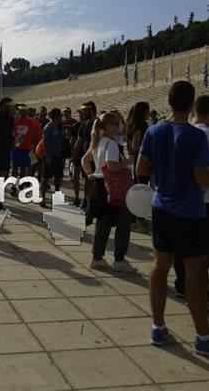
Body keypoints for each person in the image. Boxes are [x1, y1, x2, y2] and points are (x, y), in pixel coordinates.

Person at [137, 81, 209, 355]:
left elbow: (142, 168)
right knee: (195, 273)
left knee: (160, 265)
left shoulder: (154, 130)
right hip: (189, 211)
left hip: (161, 206)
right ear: (191, 104)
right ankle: (202, 335)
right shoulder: (195, 136)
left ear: (169, 102)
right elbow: (201, 178)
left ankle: (157, 326)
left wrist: (165, 171)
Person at [82, 111, 136, 274]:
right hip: (113, 186)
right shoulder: (111, 144)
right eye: (115, 124)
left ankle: (97, 257)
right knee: (123, 223)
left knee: (103, 225)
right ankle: (119, 260)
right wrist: (127, 162)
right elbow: (111, 166)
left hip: (99, 185)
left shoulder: (98, 142)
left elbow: (85, 160)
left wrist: (90, 173)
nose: (118, 127)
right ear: (108, 126)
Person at [173, 94, 209, 298]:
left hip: (180, 198)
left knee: (182, 245)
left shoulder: (183, 132)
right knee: (201, 249)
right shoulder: (203, 135)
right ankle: (198, 287)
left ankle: (182, 285)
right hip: (204, 199)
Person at [74, 101, 97, 210]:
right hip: (91, 156)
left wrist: (74, 154)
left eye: (85, 110)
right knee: (89, 180)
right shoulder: (98, 122)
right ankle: (87, 201)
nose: (83, 112)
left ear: (90, 110)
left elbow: (79, 142)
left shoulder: (89, 123)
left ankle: (88, 202)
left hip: (90, 156)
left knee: (89, 180)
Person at [11, 103, 40, 192]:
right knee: (15, 167)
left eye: (24, 110)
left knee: (24, 168)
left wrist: (34, 146)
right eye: (21, 110)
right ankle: (13, 186)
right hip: (16, 148)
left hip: (26, 148)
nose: (23, 112)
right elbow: (11, 133)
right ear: (19, 111)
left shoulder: (30, 122)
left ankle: (21, 185)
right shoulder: (15, 121)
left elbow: (33, 134)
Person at [41, 108, 63, 207]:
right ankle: (43, 197)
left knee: (58, 178)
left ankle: (57, 197)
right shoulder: (48, 127)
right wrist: (47, 156)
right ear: (58, 116)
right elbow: (44, 143)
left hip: (58, 156)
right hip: (49, 156)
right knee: (45, 178)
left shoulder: (59, 126)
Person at [61, 107, 77, 176]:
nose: (65, 114)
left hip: (72, 142)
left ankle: (71, 172)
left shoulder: (74, 121)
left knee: (71, 158)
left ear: (70, 113)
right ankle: (61, 172)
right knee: (63, 158)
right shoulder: (61, 121)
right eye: (64, 112)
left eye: (67, 112)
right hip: (63, 142)